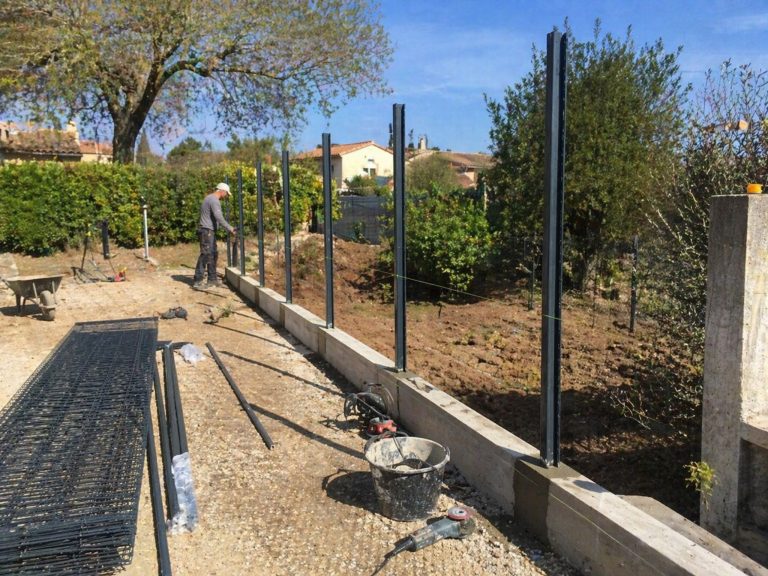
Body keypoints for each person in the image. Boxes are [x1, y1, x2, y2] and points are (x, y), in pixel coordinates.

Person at [193, 182, 236, 289]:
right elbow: (219, 217)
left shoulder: (210, 198)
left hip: (209, 231)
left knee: (213, 254)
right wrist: (230, 228)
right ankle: (197, 281)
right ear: (222, 191)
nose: (226, 196)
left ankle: (212, 279)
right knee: (206, 254)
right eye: (226, 193)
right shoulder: (214, 200)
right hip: (207, 231)